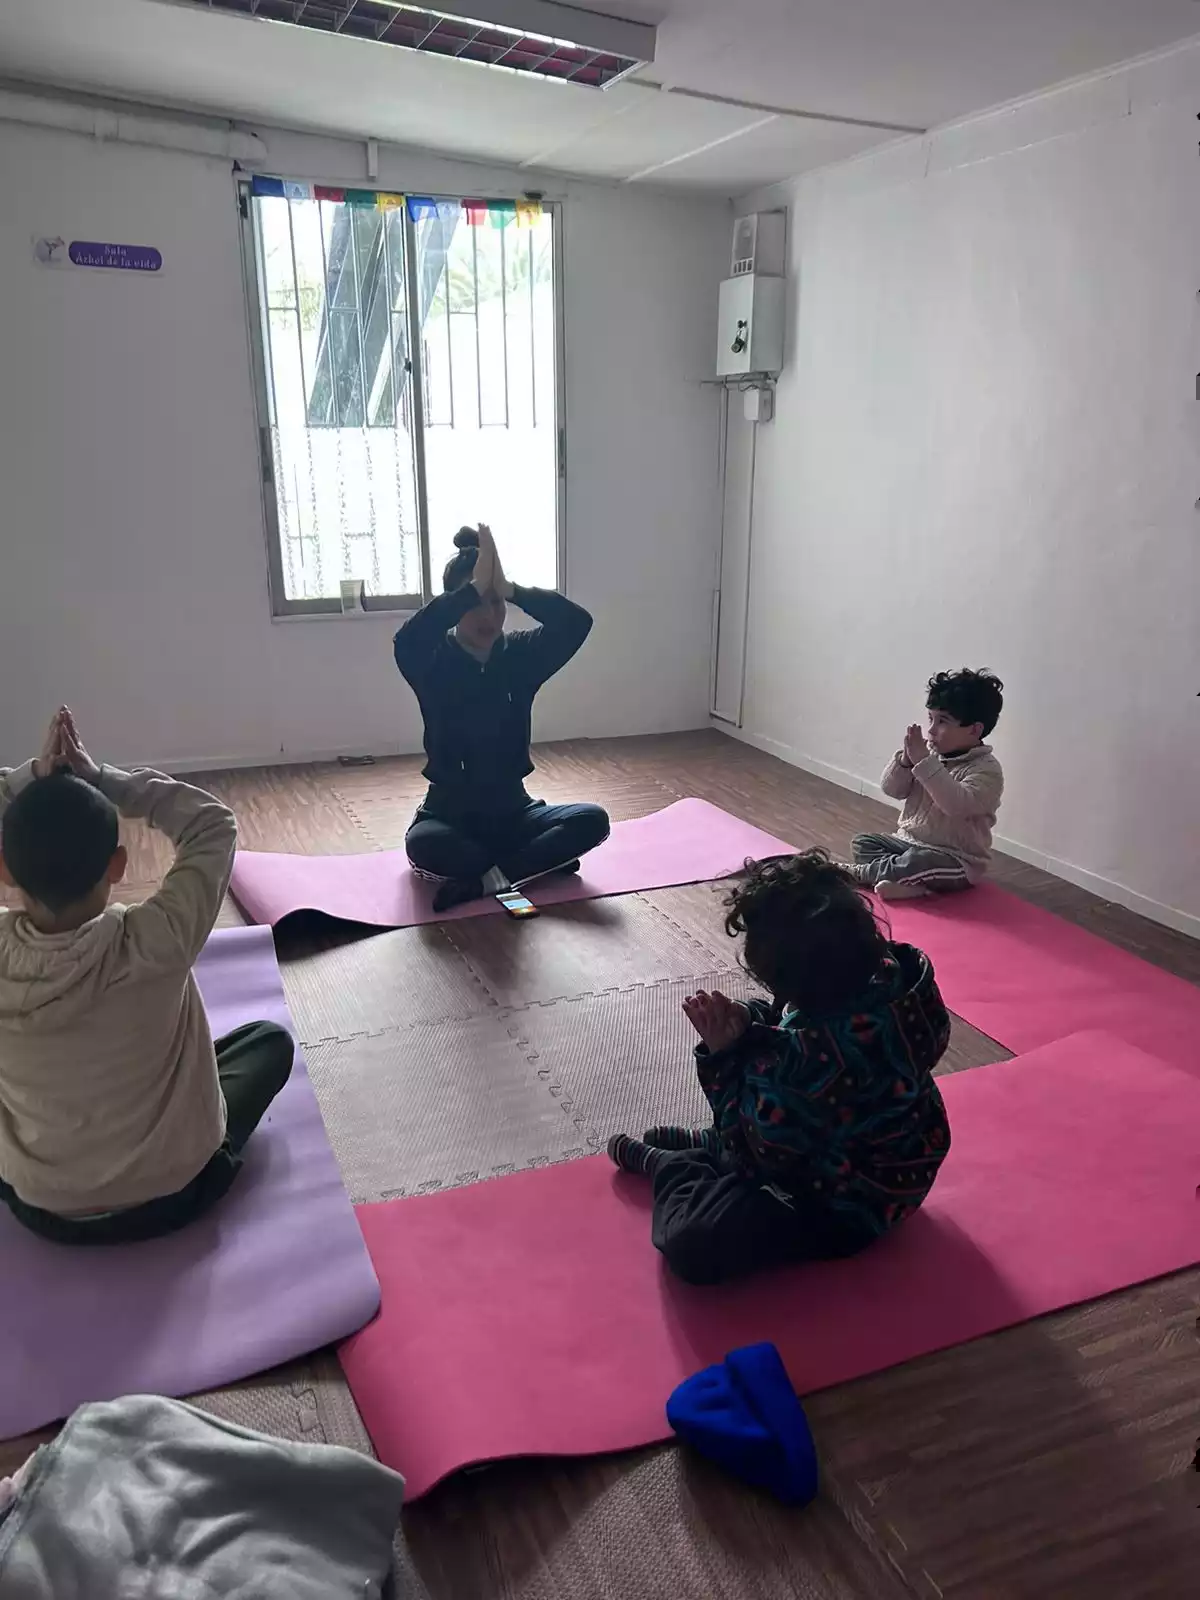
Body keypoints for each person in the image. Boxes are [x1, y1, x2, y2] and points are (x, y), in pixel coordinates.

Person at [0, 707, 294, 1245]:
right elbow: (212, 823)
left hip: (40, 1207)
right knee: (268, 1042)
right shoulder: (159, 939)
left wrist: (30, 778)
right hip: (175, 1195)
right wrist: (103, 779)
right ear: (118, 866)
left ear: (5, 870)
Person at [607, 851, 951, 1286]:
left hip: (847, 1208)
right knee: (769, 1121)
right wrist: (751, 1021)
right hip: (900, 1170)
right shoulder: (897, 986)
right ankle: (713, 1146)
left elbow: (756, 1157)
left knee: (691, 1243)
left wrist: (723, 1054)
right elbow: (798, 1029)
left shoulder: (802, 1068)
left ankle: (678, 1165)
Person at [393, 523, 610, 912]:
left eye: (496, 602)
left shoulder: (521, 656)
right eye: (474, 602)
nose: (488, 614)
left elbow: (577, 623)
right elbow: (406, 640)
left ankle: (490, 878)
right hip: (449, 815)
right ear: (455, 603)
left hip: (515, 811)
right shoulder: (431, 661)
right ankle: (533, 863)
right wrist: (474, 589)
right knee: (424, 845)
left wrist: (511, 589)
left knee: (592, 820)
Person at [851, 667, 1004, 903]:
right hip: (908, 842)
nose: (931, 730)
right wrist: (904, 761)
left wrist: (924, 762)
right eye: (930, 718)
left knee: (919, 862)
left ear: (975, 730)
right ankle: (913, 885)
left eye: (943, 721)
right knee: (863, 843)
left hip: (955, 859)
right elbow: (892, 790)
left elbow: (956, 805)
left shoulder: (986, 770)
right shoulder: (929, 754)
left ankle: (856, 874)